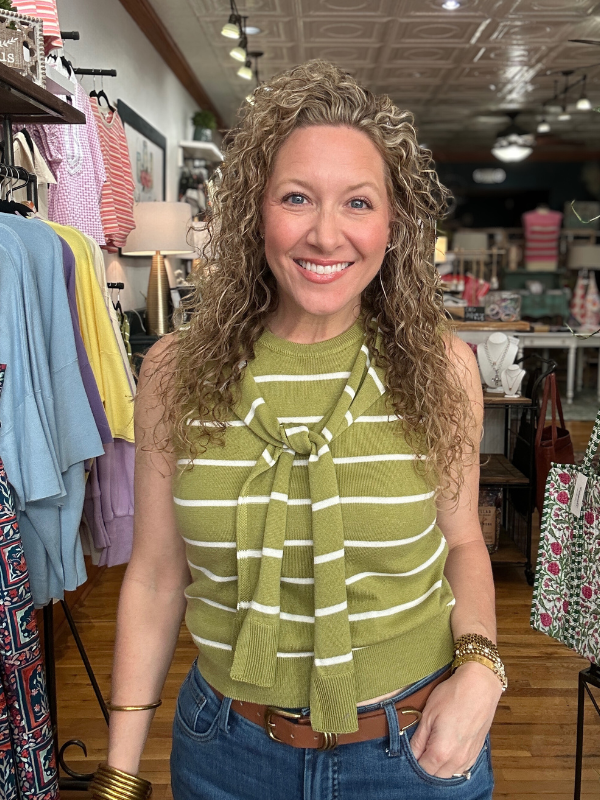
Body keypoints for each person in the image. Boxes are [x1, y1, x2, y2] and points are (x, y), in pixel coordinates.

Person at [91, 60, 505, 800]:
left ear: (393, 222)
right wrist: (119, 777)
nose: (324, 234)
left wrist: (482, 669)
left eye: (357, 202)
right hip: (226, 755)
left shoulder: (443, 368)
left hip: (416, 752)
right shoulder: (175, 373)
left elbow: (464, 540)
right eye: (295, 198)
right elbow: (155, 578)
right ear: (255, 211)